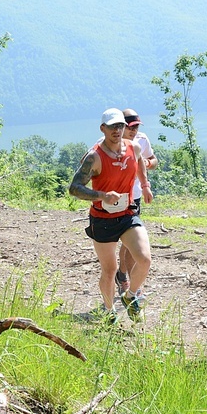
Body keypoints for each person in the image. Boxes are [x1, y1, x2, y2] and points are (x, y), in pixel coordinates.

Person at [69, 108, 153, 324]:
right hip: (102, 218)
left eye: (120, 126)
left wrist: (144, 185)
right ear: (102, 129)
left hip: (127, 213)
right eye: (112, 126)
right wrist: (102, 196)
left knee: (144, 259)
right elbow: (75, 188)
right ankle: (108, 311)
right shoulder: (94, 157)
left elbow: (141, 162)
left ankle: (130, 295)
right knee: (110, 269)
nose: (117, 130)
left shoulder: (133, 147)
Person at [114, 108, 159, 296]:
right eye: (130, 127)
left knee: (130, 242)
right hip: (115, 198)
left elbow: (153, 160)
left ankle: (127, 279)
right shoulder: (111, 142)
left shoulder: (142, 139)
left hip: (135, 197)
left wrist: (145, 165)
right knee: (120, 241)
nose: (134, 130)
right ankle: (119, 276)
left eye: (136, 126)